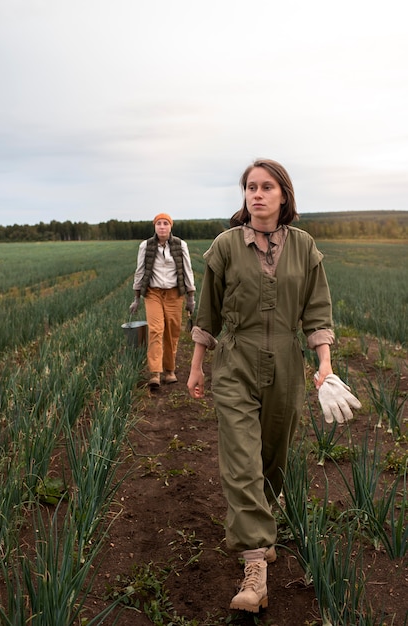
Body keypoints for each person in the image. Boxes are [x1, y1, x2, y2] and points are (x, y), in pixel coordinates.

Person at [187, 159, 361, 613]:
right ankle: (255, 571)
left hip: (286, 360)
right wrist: (197, 366)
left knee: (271, 460)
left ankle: (261, 527)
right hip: (236, 362)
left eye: (267, 187)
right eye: (250, 187)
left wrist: (324, 366)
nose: (257, 194)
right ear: (243, 196)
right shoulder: (225, 246)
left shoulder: (304, 247)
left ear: (283, 195)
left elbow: (318, 312)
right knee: (241, 462)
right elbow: (207, 313)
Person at [129, 213, 196, 388]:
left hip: (175, 294)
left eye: (165, 223)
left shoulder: (180, 245)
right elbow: (140, 270)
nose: (162, 227)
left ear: (170, 226)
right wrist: (136, 298)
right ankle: (155, 373)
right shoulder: (146, 246)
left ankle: (170, 370)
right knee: (156, 330)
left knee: (172, 332)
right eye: (159, 223)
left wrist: (191, 297)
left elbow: (187, 270)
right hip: (153, 293)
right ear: (154, 227)